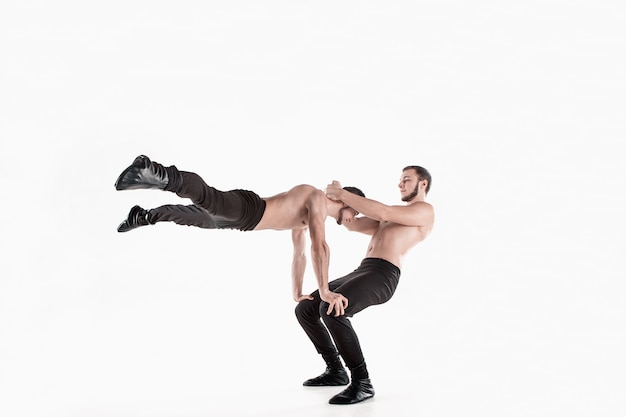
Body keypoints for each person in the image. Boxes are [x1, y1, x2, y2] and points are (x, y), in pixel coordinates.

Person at [114, 155, 365, 315]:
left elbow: (299, 255)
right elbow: (319, 247)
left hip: (242, 223)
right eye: (357, 211)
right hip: (249, 208)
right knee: (208, 198)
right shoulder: (317, 200)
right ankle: (156, 171)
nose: (356, 217)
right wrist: (325, 290)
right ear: (347, 202)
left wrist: (297, 291)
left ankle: (143, 216)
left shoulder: (310, 217)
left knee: (188, 216)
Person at [295, 165, 435, 405]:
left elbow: (383, 211)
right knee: (306, 309)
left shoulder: (424, 211)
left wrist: (343, 194)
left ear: (423, 184)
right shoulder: (388, 218)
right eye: (400, 180)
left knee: (333, 310)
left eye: (406, 180)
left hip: (383, 275)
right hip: (363, 270)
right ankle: (336, 370)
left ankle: (362, 382)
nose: (400, 184)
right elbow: (350, 223)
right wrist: (325, 204)